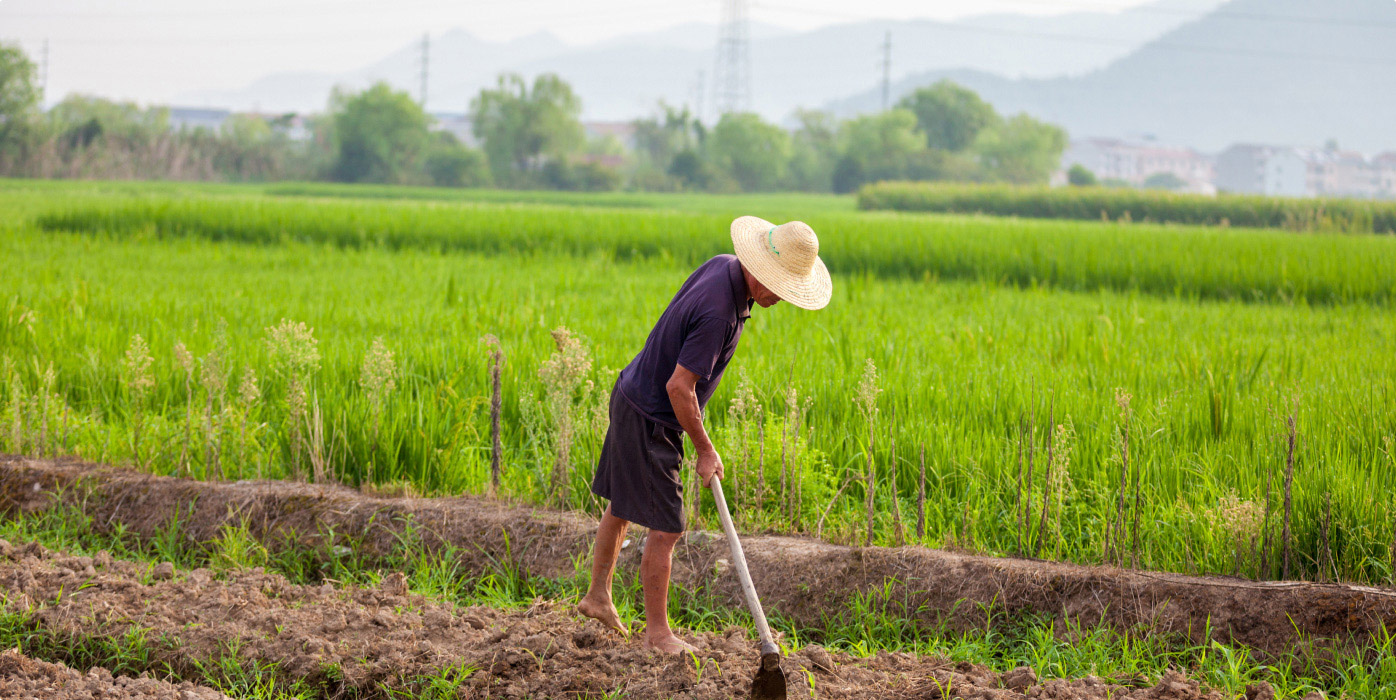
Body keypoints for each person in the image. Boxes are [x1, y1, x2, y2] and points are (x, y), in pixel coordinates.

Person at [576, 215, 832, 653]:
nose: (780, 299)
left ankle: (598, 597)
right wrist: (704, 449)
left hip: (631, 393)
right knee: (667, 528)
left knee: (623, 504)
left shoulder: (722, 265)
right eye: (779, 287)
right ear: (759, 270)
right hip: (652, 417)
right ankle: (658, 635)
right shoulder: (719, 313)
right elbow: (680, 387)